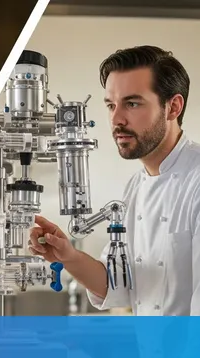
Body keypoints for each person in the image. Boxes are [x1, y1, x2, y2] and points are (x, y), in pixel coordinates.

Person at [29, 45, 200, 316]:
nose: (116, 119)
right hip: (155, 357)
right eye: (111, 105)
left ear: (173, 107)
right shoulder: (136, 186)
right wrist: (68, 256)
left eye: (132, 103)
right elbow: (116, 284)